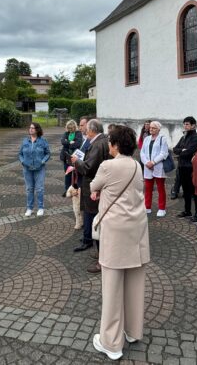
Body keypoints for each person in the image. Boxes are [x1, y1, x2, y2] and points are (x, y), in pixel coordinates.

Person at [89, 126, 150, 361]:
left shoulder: (108, 165)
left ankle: (111, 343)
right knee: (135, 282)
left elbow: (94, 185)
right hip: (137, 230)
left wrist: (100, 191)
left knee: (112, 287)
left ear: (114, 144)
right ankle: (133, 331)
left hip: (116, 233)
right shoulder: (137, 165)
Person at [72, 118, 112, 273]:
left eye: (86, 129)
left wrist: (76, 161)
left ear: (91, 130)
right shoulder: (103, 140)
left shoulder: (97, 143)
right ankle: (99, 252)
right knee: (96, 219)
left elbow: (88, 167)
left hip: (94, 188)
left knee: (96, 220)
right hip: (97, 187)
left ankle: (102, 258)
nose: (85, 131)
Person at [18, 122, 50, 217]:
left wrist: (43, 161)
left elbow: (48, 153)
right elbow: (20, 154)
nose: (30, 129)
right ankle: (29, 208)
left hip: (39, 169)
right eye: (30, 128)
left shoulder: (43, 141)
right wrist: (23, 161)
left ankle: (40, 208)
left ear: (37, 130)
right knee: (29, 189)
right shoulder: (25, 141)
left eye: (33, 128)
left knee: (39, 189)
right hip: (27, 169)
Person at [174, 116, 197, 221]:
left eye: (187, 124)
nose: (185, 126)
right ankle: (187, 211)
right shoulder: (184, 136)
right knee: (185, 190)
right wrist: (182, 150)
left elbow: (189, 152)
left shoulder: (196, 137)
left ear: (193, 125)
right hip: (182, 167)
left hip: (190, 168)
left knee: (194, 192)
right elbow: (175, 149)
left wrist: (181, 151)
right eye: (184, 124)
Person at [140, 120, 169, 217]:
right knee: (147, 188)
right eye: (150, 127)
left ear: (158, 129)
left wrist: (153, 162)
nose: (151, 129)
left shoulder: (162, 139)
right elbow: (142, 152)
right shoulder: (147, 139)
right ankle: (147, 207)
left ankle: (162, 208)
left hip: (158, 166)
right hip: (147, 166)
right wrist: (146, 162)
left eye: (153, 128)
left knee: (161, 188)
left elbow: (164, 153)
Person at [59, 120, 83, 197]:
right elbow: (62, 141)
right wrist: (70, 142)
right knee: (67, 174)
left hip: (75, 157)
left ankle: (74, 190)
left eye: (71, 128)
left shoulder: (78, 133)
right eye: (68, 128)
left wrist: (68, 143)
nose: (70, 130)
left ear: (74, 127)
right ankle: (67, 190)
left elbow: (78, 143)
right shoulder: (66, 133)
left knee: (76, 174)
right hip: (66, 157)